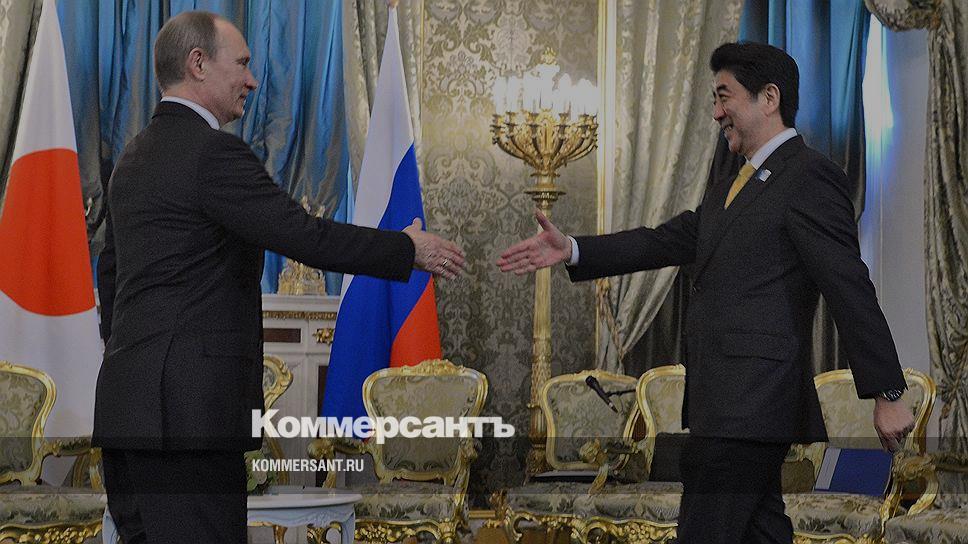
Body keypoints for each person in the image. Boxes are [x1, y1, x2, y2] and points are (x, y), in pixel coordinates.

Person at [497, 41, 916, 543]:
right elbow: (664, 240)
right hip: (725, 403)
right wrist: (573, 248)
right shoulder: (730, 187)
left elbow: (850, 286)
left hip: (752, 403)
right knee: (761, 530)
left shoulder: (809, 176)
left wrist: (888, 391)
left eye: (724, 96)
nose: (716, 113)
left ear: (769, 98)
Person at [93, 10, 464, 543]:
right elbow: (303, 235)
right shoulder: (213, 153)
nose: (251, 79)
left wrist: (143, 365)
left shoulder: (133, 157)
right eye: (242, 63)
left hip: (127, 412)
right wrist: (406, 248)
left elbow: (112, 276)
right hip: (190, 421)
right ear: (198, 63)